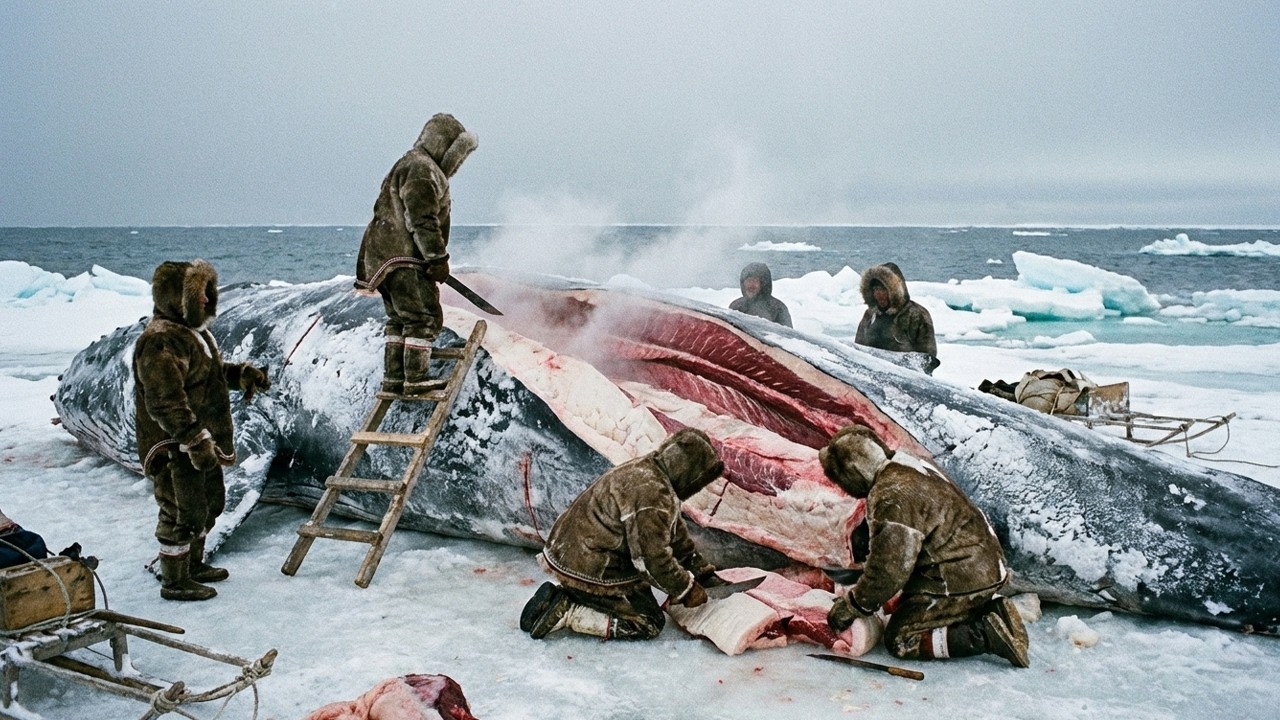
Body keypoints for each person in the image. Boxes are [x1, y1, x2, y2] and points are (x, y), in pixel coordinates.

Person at [819, 425, 1030, 667]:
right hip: (983, 563)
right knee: (907, 605)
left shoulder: (891, 494)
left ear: (854, 472)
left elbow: (889, 571)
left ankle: (983, 633)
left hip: (960, 578)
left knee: (901, 638)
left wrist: (853, 605)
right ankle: (989, 609)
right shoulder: (908, 463)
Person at [133, 259, 271, 601]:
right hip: (176, 445)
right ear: (175, 299)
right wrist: (193, 439)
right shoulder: (160, 341)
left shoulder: (191, 334)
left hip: (201, 443)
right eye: (198, 294)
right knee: (181, 510)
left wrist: (240, 375)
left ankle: (193, 564)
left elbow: (206, 374)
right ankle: (175, 579)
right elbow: (164, 400)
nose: (207, 300)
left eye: (207, 292)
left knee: (209, 504)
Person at [520, 428, 726, 640]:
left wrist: (702, 573)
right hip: (592, 564)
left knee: (641, 596)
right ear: (690, 475)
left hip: (570, 551)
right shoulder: (654, 496)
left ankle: (572, 593)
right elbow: (651, 560)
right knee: (649, 622)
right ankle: (570, 610)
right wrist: (686, 589)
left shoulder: (648, 470)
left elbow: (673, 534)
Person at [354, 113, 479, 397]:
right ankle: (415, 378)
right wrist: (436, 258)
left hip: (381, 259)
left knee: (399, 319)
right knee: (423, 318)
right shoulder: (423, 170)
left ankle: (394, 378)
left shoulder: (406, 164)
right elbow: (421, 219)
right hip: (404, 259)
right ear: (445, 148)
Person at [854, 262, 937, 363]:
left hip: (904, 375)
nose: (878, 294)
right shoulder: (869, 315)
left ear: (894, 291)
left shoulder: (916, 315)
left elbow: (927, 358)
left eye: (883, 289)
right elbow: (857, 350)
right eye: (875, 289)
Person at [729, 262, 792, 327]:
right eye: (748, 281)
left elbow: (788, 335)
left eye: (755, 281)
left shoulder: (778, 308)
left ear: (763, 284)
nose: (751, 285)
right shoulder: (736, 307)